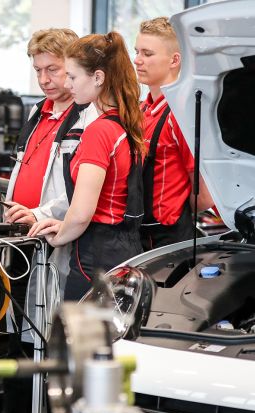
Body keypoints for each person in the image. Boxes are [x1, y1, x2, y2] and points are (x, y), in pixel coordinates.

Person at [0, 29, 98, 413]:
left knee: (44, 335)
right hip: (20, 240)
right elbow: (25, 169)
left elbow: (74, 189)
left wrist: (37, 211)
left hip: (52, 240)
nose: (45, 79)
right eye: (38, 70)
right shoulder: (38, 112)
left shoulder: (86, 117)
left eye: (54, 70)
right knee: (18, 334)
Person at [28, 31, 144, 301]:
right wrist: (62, 223)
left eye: (72, 76)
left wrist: (58, 238)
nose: (68, 85)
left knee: (80, 341)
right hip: (125, 248)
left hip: (96, 256)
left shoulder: (98, 131)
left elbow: (81, 212)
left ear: (98, 77)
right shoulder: (126, 123)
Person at [134, 16, 214, 250]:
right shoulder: (141, 111)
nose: (137, 60)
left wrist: (173, 208)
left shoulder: (182, 114)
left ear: (174, 60)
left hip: (170, 239)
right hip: (137, 234)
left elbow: (204, 196)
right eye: (137, 51)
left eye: (147, 54)